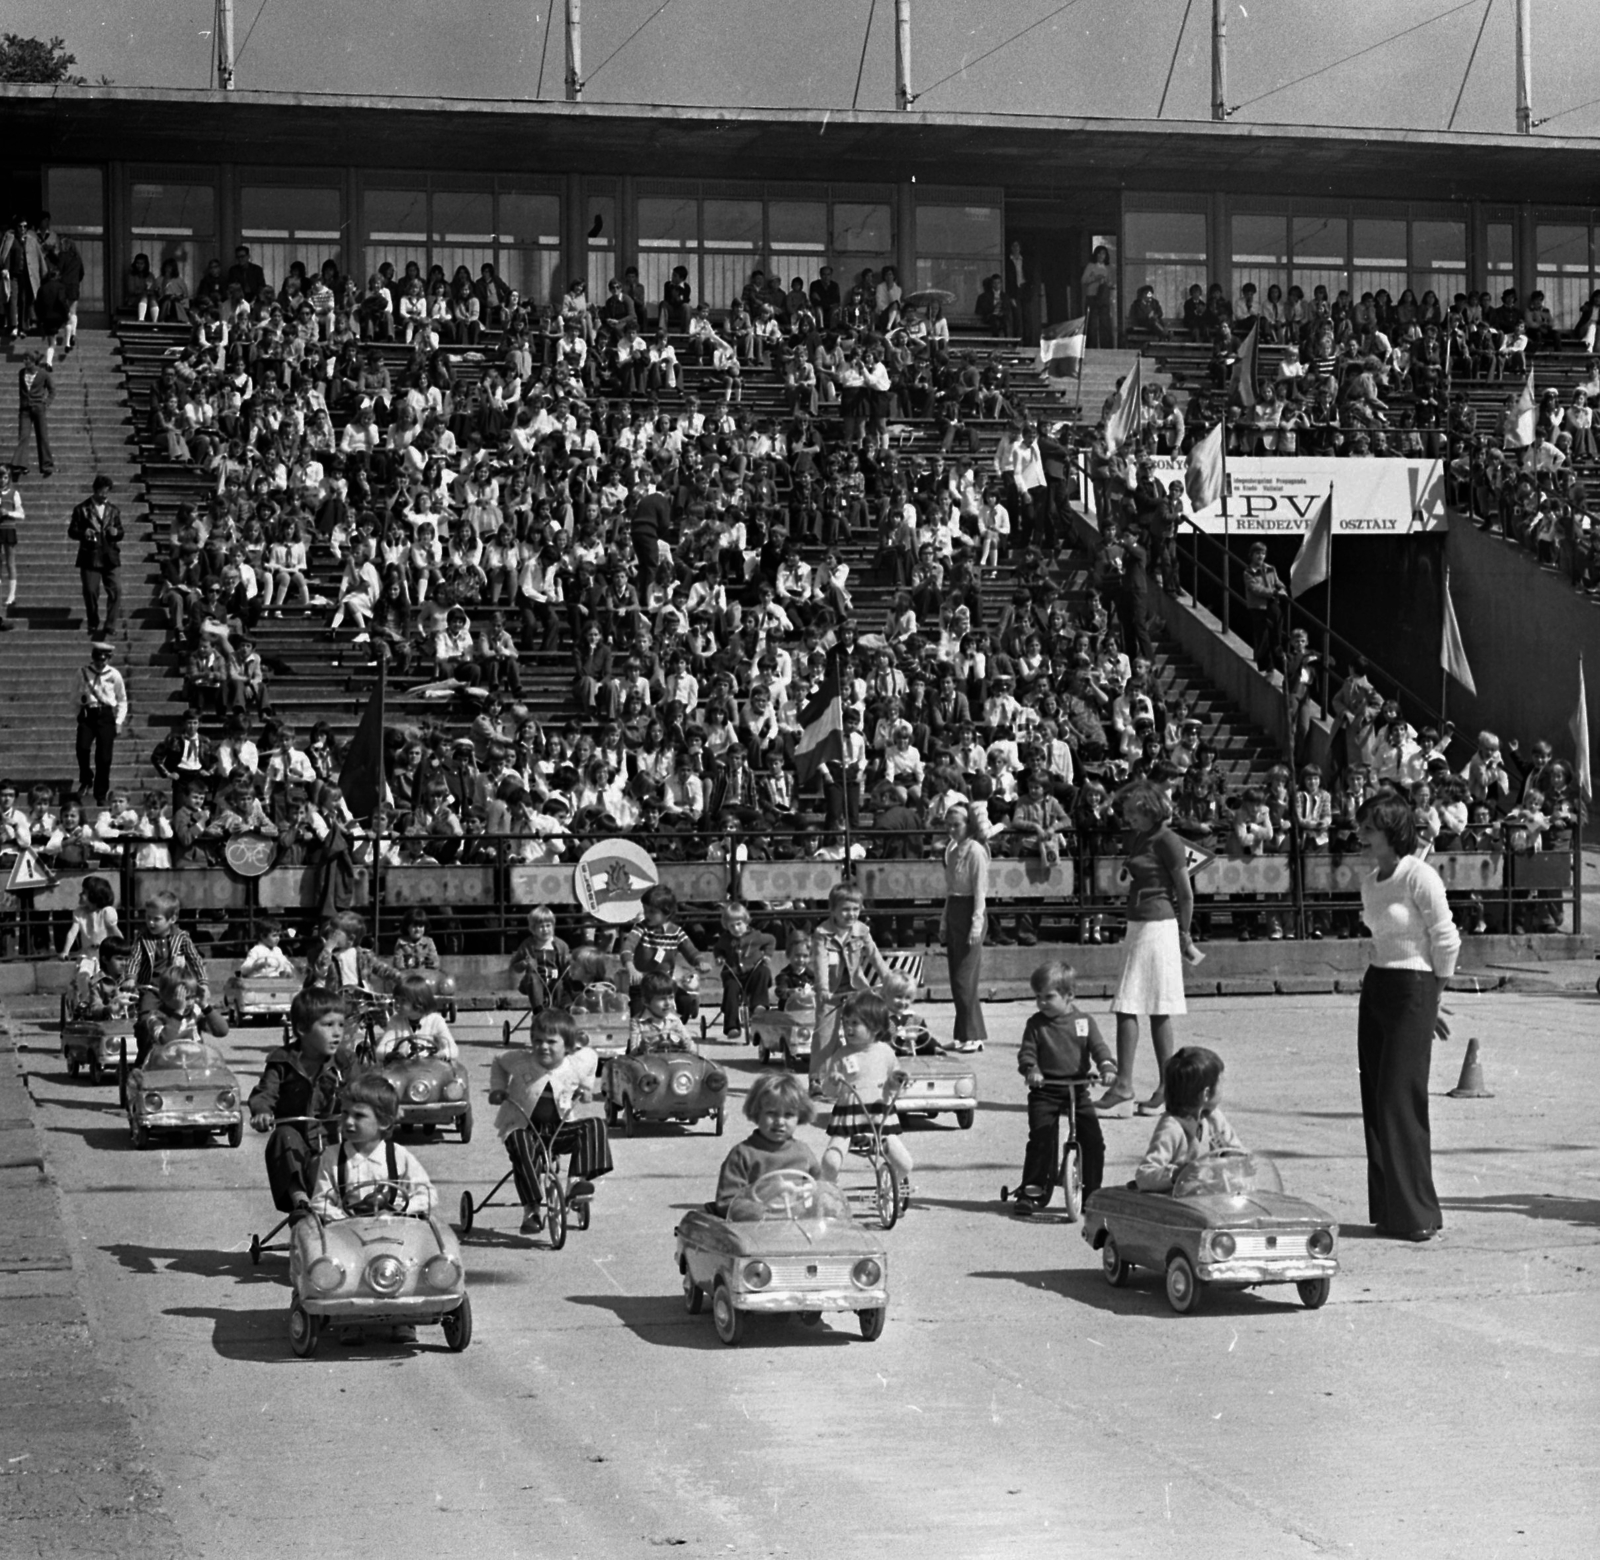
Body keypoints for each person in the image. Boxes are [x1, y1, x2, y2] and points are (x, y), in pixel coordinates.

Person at [1356, 792, 1460, 1242]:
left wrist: (1432, 998)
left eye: (1369, 827)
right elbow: (1380, 939)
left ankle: (1418, 1213)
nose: (1361, 833)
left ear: (1392, 831)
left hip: (1414, 988)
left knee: (1401, 1099)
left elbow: (1447, 940)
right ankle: (1390, 1211)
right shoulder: (1369, 880)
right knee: (1377, 1100)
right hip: (1377, 987)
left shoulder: (1420, 876)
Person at [1098, 780, 1196, 1117]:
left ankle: (1126, 1084)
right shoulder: (1143, 836)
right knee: (1151, 1006)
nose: (1127, 819)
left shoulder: (1168, 840)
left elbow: (1185, 893)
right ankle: (1161, 1087)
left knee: (1134, 1003)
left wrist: (1185, 933)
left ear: (1150, 810)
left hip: (1157, 925)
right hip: (1139, 923)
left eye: (1132, 813)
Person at [488, 1009, 613, 1233]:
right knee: (518, 1141)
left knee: (595, 1124)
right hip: (525, 1128)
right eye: (537, 1041)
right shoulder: (520, 1061)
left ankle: (576, 1182)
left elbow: (592, 1057)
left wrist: (586, 1088)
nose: (543, 1047)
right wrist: (498, 1089)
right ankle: (532, 1209)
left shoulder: (575, 1063)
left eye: (551, 1042)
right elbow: (498, 1061)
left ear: (568, 1046)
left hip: (558, 1129)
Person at [1012, 960, 1116, 1215]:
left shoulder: (1084, 1022)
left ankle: (1092, 1193)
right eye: (1037, 997)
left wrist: (1106, 1066)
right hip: (1045, 1089)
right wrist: (1032, 1070)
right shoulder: (1036, 1024)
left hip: (1076, 1090)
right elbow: (1027, 1053)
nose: (1041, 1003)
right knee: (1041, 1139)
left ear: (1069, 995)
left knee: (1093, 1141)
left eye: (1049, 997)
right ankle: (1033, 1190)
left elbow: (1098, 1047)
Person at [249, 986, 348, 1217]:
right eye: (328, 1025)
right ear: (302, 1028)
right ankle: (300, 1201)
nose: (337, 1033)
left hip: (334, 1137)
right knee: (283, 1136)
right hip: (298, 1141)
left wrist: (380, 1106)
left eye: (341, 1025)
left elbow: (364, 1089)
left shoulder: (345, 1061)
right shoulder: (282, 1061)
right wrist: (262, 1112)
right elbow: (265, 1092)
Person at [818, 990, 913, 1199]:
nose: (848, 1028)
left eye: (855, 1023)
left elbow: (896, 1086)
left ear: (875, 1027)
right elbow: (828, 1091)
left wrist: (897, 1081)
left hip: (880, 1118)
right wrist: (833, 1082)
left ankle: (890, 1187)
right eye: (846, 1022)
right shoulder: (841, 1054)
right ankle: (829, 1192)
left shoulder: (885, 1052)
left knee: (905, 1163)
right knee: (830, 1161)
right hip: (848, 1117)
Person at [308, 1072, 436, 1224]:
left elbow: (427, 1195)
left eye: (359, 1116)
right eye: (345, 1113)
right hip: (346, 1232)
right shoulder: (333, 1156)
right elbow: (320, 1202)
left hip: (393, 1229)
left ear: (384, 1122)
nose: (348, 1122)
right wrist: (345, 1219)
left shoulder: (398, 1156)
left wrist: (398, 1211)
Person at [810, 880, 889, 1094]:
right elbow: (820, 962)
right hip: (831, 991)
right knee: (825, 1036)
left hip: (855, 988)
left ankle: (870, 1072)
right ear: (832, 910)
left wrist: (888, 977)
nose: (851, 914)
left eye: (855, 909)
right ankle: (817, 1080)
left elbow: (874, 955)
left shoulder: (861, 930)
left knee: (868, 1027)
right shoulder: (822, 933)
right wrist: (823, 988)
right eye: (845, 909)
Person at [1134, 1046, 1244, 1192]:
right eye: (1220, 1084)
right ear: (1206, 1093)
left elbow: (1233, 1149)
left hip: (1211, 1197)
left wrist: (1240, 1161)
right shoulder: (1172, 1127)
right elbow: (1144, 1176)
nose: (1223, 1089)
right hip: (1179, 1203)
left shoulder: (1214, 1118)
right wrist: (1176, 1174)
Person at [711, 1071, 820, 1215]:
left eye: (788, 1115)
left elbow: (819, 1190)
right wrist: (761, 1206)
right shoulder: (744, 1154)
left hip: (795, 1227)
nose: (780, 1122)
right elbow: (727, 1202)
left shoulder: (803, 1153)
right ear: (757, 1113)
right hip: (755, 1228)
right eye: (771, 1113)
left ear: (800, 1116)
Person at [939, 801, 989, 1054]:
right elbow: (950, 890)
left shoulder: (976, 851)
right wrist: (944, 920)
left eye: (956, 825)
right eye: (948, 825)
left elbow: (980, 891)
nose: (951, 830)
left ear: (967, 825)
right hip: (956, 911)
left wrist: (976, 925)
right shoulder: (952, 850)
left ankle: (974, 1034)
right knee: (956, 978)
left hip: (971, 912)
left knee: (965, 980)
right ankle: (963, 1034)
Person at [121, 889, 211, 1014]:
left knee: (183, 1014)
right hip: (151, 988)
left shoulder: (181, 937)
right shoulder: (142, 938)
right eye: (148, 917)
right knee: (146, 1013)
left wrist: (203, 982)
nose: (151, 923)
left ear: (172, 919)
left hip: (174, 987)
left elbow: (195, 960)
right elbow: (135, 959)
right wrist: (130, 977)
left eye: (156, 919)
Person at [132, 969, 229, 1066]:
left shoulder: (195, 1013)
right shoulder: (156, 1017)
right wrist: (178, 1012)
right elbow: (166, 1040)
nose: (188, 1003)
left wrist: (205, 1006)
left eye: (191, 997)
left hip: (194, 1063)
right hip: (165, 1066)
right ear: (164, 996)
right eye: (182, 999)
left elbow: (222, 1031)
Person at [711, 900, 774, 1039]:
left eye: (739, 924)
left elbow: (771, 940)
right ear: (726, 927)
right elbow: (717, 948)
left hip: (752, 972)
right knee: (731, 989)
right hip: (733, 974)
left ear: (746, 922)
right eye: (731, 926)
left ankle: (759, 1005)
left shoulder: (756, 936)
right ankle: (732, 1026)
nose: (736, 929)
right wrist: (719, 957)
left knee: (763, 971)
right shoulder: (725, 939)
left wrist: (767, 955)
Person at [69, 476, 123, 637]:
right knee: (90, 590)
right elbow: (72, 531)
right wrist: (83, 533)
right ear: (95, 490)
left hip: (110, 554)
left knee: (116, 589)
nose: (105, 496)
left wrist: (117, 532)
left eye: (107, 493)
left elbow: (120, 531)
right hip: (90, 555)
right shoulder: (81, 509)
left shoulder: (113, 510)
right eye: (102, 492)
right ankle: (93, 620)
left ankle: (110, 624)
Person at [375, 973, 459, 1061]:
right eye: (396, 1000)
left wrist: (442, 1054)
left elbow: (453, 1049)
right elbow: (382, 1048)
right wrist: (390, 1054)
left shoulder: (436, 1021)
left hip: (430, 1068)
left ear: (419, 1002)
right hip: (403, 1068)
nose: (397, 1005)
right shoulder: (396, 1021)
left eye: (403, 1001)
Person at [509, 905, 570, 1011]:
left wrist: (570, 964)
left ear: (553, 926)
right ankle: (538, 1011)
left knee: (561, 984)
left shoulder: (561, 945)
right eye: (541, 927)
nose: (545, 929)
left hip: (555, 981)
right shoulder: (528, 945)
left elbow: (566, 965)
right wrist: (523, 963)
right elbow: (515, 966)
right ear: (533, 929)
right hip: (534, 982)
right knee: (533, 978)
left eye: (548, 926)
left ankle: (558, 1011)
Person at [59, 874, 119, 978]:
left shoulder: (106, 912)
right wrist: (65, 951)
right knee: (83, 975)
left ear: (94, 896)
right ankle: (83, 993)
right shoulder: (80, 913)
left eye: (84, 893)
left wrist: (123, 948)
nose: (80, 894)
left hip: (104, 955)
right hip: (87, 955)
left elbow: (114, 932)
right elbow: (72, 933)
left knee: (105, 979)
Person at [628, 971, 697, 1054]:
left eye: (671, 998)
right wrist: (641, 1048)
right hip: (649, 1064)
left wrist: (684, 1042)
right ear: (646, 1001)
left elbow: (693, 1050)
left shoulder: (675, 1021)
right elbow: (633, 1053)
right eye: (662, 999)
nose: (668, 1003)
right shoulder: (638, 1023)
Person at [10, 350, 53, 478]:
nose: (24, 361)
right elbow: (21, 391)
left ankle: (47, 465)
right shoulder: (21, 373)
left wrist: (46, 402)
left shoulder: (43, 374)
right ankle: (20, 464)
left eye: (27, 358)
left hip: (39, 408)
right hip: (25, 410)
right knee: (23, 435)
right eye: (24, 358)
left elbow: (52, 390)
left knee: (42, 436)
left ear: (33, 360)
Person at [0, 466, 21, 629]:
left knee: (10, 562)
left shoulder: (14, 493)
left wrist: (9, 513)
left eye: (5, 477)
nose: (2, 480)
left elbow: (21, 513)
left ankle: (12, 594)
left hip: (9, 529)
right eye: (0, 477)